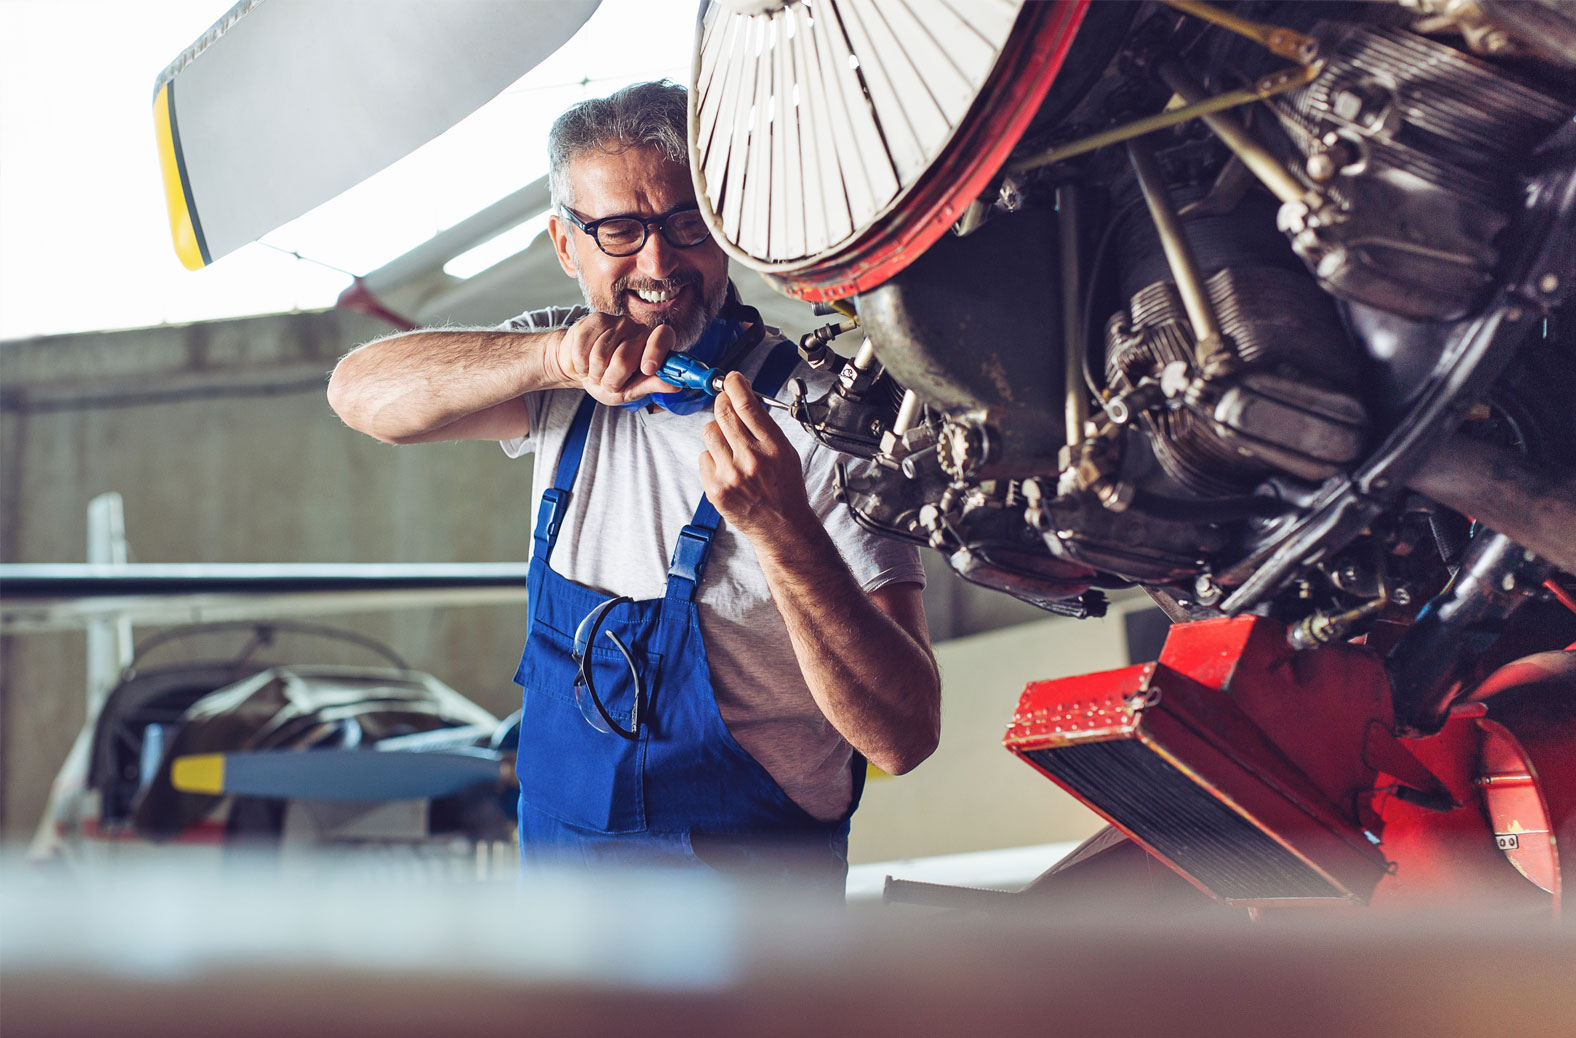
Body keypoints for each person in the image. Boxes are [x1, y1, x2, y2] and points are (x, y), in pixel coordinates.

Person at [328, 81, 940, 892]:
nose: (659, 263)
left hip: (753, 891)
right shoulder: (556, 373)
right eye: (621, 229)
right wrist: (554, 358)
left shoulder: (830, 417)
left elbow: (902, 735)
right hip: (563, 879)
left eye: (688, 224)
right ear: (565, 243)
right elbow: (361, 397)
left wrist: (782, 529)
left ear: (725, 230)